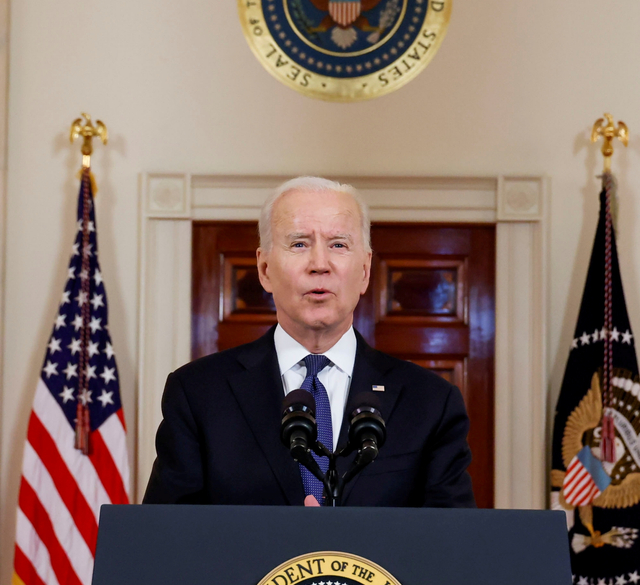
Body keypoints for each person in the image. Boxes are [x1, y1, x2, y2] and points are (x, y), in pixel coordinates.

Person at [143, 177, 475, 507]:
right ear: (264, 269)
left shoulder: (431, 402)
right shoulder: (198, 393)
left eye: (338, 245)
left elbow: (452, 536)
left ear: (364, 270)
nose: (319, 265)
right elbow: (164, 533)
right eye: (299, 244)